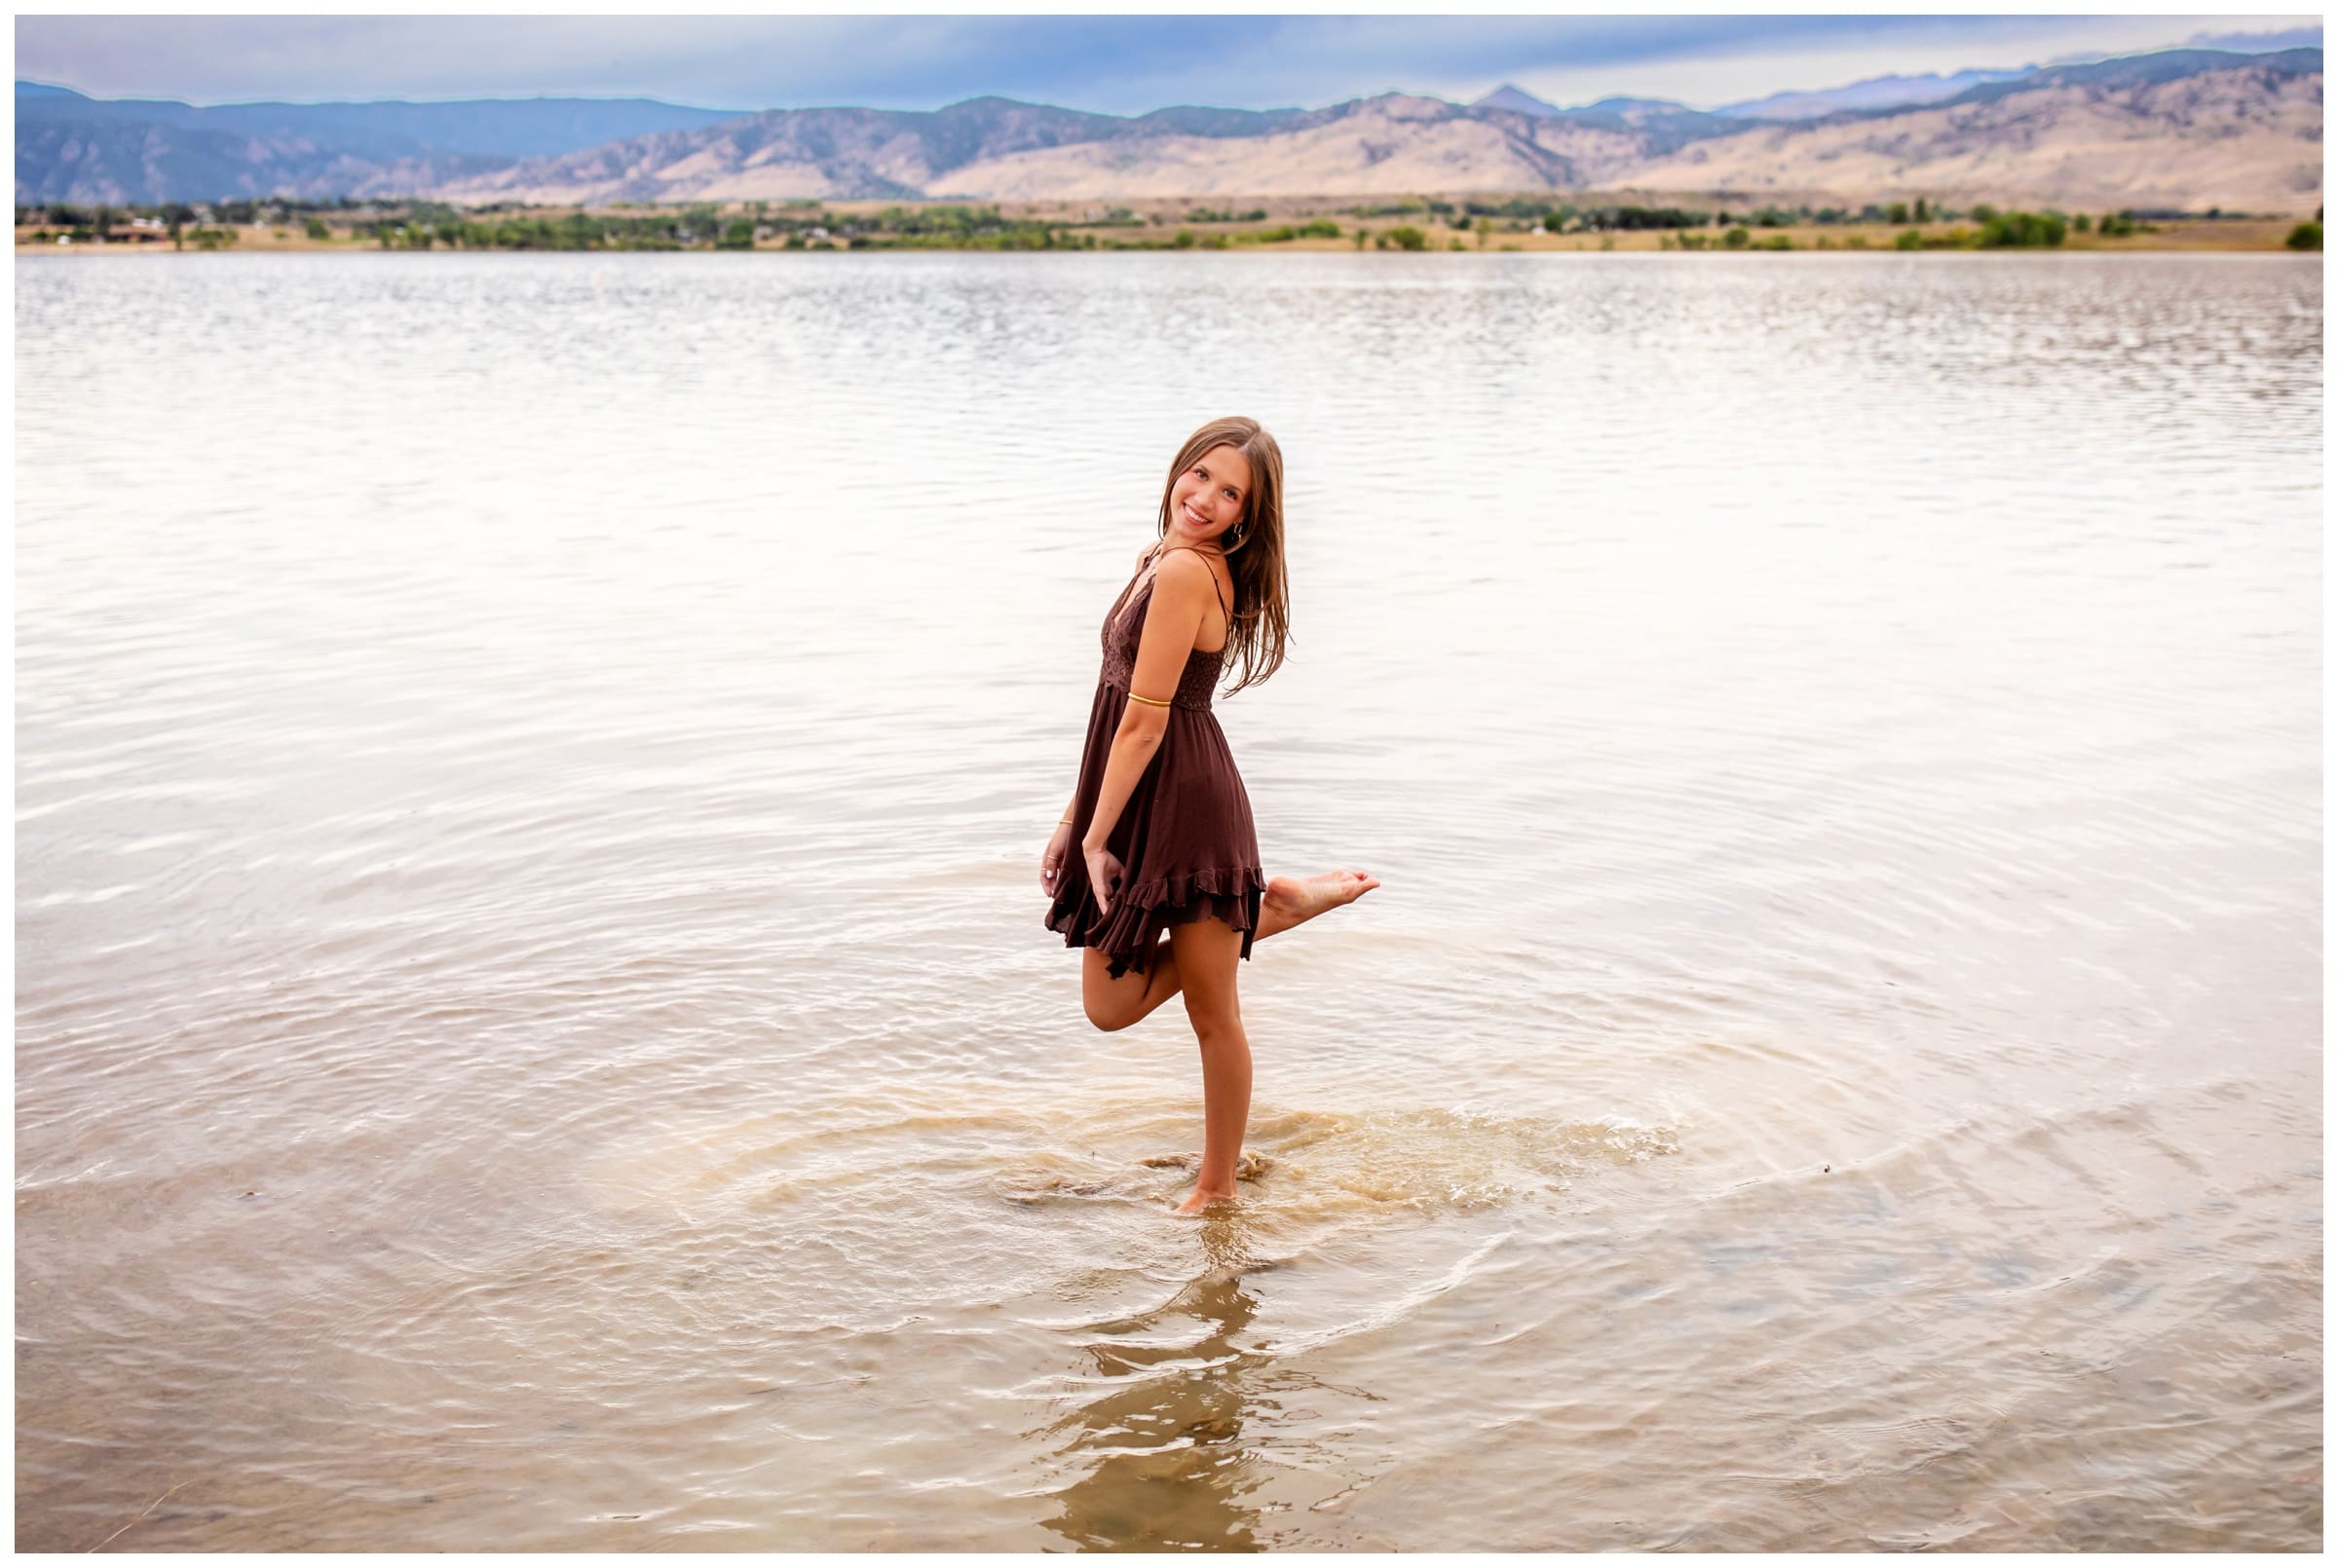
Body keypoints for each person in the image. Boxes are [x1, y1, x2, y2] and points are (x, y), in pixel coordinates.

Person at [1040, 416, 1380, 1214]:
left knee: (1212, 1013)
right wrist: (1075, 818)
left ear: (1246, 518)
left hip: (1184, 801)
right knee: (1109, 1005)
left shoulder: (1190, 573)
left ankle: (1217, 1189)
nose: (1205, 499)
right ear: (1179, 468)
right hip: (1131, 793)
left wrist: (1094, 837)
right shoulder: (1161, 558)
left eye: (1231, 495)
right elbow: (1114, 711)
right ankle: (1273, 910)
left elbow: (1147, 720)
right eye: (1201, 475)